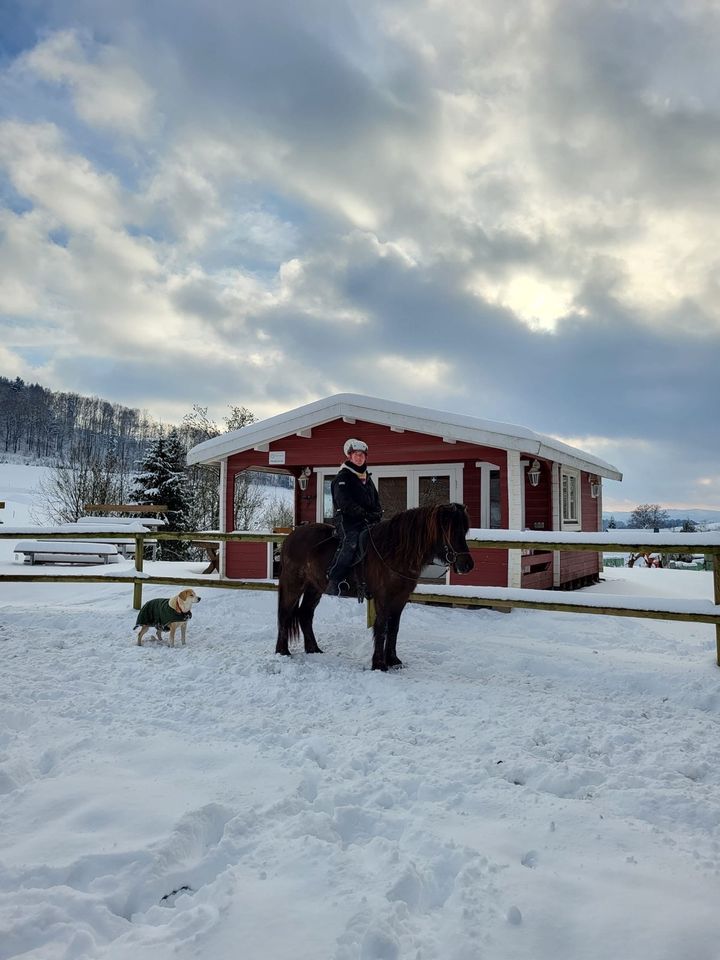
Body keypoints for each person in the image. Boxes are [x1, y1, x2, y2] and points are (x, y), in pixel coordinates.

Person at [326, 438, 383, 595]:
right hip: (347, 519)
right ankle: (335, 579)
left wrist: (377, 513)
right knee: (350, 542)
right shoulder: (342, 478)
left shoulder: (367, 478)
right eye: (356, 455)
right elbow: (344, 503)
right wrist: (364, 514)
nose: (360, 457)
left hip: (367, 520)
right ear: (349, 456)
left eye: (362, 455)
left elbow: (376, 500)